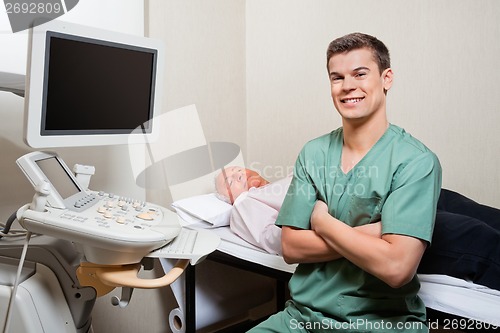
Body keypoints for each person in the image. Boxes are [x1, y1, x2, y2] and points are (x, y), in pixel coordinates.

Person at [248, 32, 442, 333]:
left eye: (360, 74)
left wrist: (323, 223)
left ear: (386, 78)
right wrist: (371, 235)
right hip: (301, 319)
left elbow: (396, 268)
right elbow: (291, 247)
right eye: (336, 77)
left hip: (380, 323)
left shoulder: (416, 162)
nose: (347, 86)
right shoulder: (313, 153)